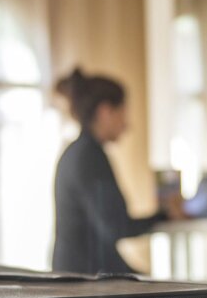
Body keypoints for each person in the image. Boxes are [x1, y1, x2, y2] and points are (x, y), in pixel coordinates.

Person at [52, 67, 183, 274]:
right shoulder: (89, 156)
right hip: (85, 279)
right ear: (105, 112)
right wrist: (164, 215)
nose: (127, 124)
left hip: (81, 272)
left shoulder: (80, 152)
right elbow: (117, 227)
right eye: (123, 112)